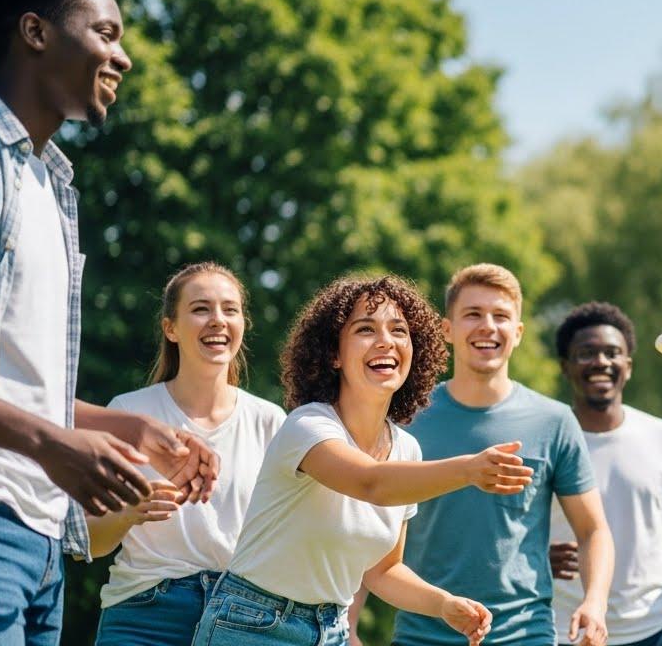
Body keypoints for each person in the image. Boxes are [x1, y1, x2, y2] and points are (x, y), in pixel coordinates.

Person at [0, 0, 217, 646]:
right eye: (105, 33)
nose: (122, 57)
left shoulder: (55, 188)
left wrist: (130, 432)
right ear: (35, 33)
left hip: (43, 542)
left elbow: (3, 381)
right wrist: (53, 444)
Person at [192, 274, 530, 645]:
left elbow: (384, 570)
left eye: (399, 330)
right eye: (366, 329)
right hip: (251, 623)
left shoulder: (406, 448)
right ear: (334, 354)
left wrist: (443, 604)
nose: (386, 341)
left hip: (331, 628)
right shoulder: (308, 425)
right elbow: (371, 483)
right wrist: (468, 469)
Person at [384, 264, 614, 646]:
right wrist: (352, 625)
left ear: (518, 333)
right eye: (473, 314)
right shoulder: (405, 418)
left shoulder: (554, 421)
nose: (487, 326)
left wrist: (595, 602)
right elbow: (369, 531)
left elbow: (593, 530)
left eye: (501, 316)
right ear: (447, 330)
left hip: (526, 634)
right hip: (421, 634)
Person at [90, 262, 287, 645]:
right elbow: (93, 543)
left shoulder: (270, 422)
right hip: (143, 615)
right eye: (201, 309)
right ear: (171, 328)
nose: (217, 320)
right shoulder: (128, 415)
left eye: (230, 310)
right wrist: (130, 511)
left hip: (243, 619)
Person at [548, 302, 662, 646]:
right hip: (569, 631)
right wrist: (538, 556)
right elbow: (511, 534)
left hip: (660, 626)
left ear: (627, 367)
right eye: (586, 353)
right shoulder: (546, 441)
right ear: (566, 367)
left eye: (612, 353)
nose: (601, 362)